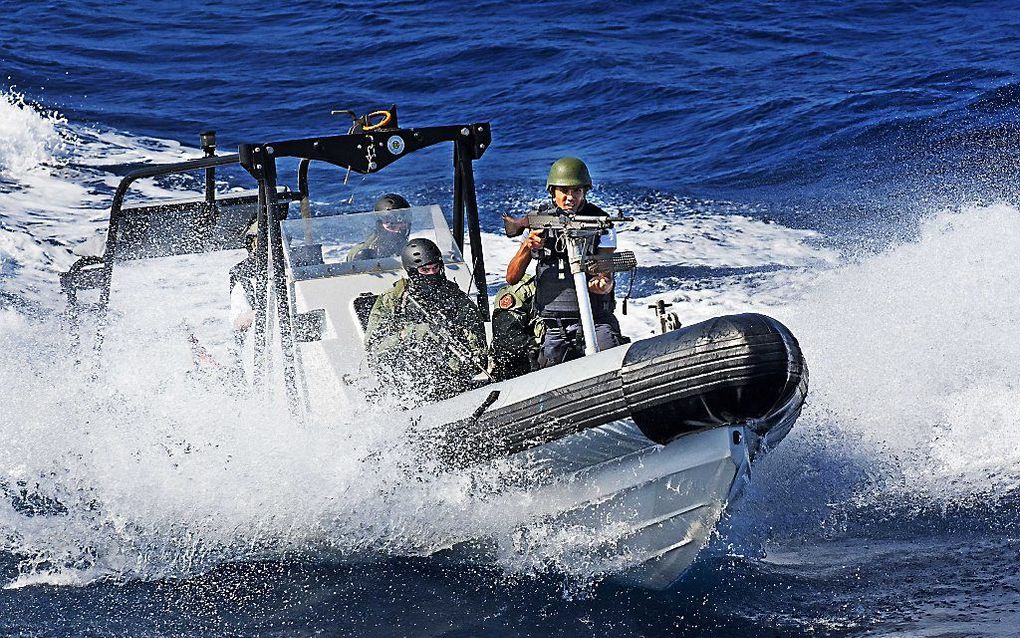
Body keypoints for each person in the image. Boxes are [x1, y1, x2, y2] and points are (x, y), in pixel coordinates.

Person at [504, 157, 623, 367]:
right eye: (564, 191)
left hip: (596, 318)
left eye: (576, 191)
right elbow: (512, 278)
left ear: (585, 191)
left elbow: (605, 273)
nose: (570, 198)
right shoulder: (538, 221)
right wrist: (527, 246)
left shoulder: (600, 222)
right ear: (552, 192)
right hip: (554, 323)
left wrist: (603, 284)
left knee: (610, 360)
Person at [365, 238, 487, 403]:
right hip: (407, 382)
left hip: (451, 379)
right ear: (413, 272)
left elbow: (475, 336)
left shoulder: (455, 297)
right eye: (425, 270)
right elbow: (374, 350)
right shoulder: (393, 300)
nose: (432, 274)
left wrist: (468, 358)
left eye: (435, 268)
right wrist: (410, 334)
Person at [346, 193, 412, 261]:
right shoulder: (364, 251)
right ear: (380, 225)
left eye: (402, 221)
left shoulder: (410, 248)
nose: (399, 228)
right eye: (391, 224)